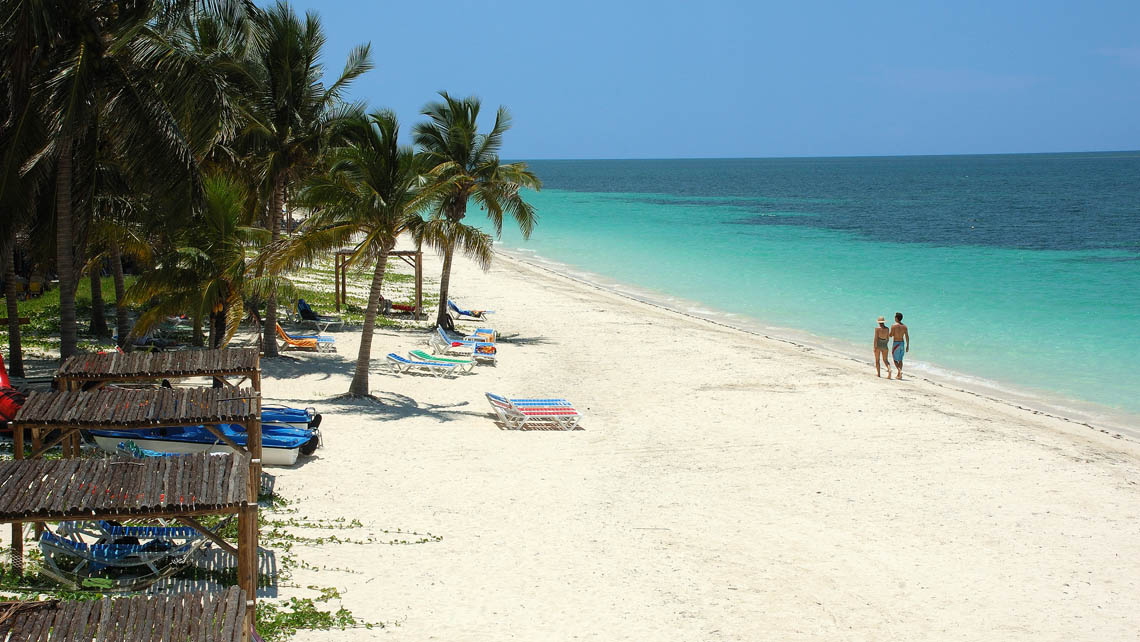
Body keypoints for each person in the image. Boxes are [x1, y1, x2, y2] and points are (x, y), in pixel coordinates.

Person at [889, 312, 909, 380]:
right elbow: (907, 336)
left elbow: (891, 335)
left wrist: (887, 334)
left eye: (895, 317)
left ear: (896, 318)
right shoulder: (905, 326)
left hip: (896, 344)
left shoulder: (893, 326)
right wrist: (907, 346)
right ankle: (899, 375)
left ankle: (899, 371)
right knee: (900, 359)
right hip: (902, 343)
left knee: (895, 359)